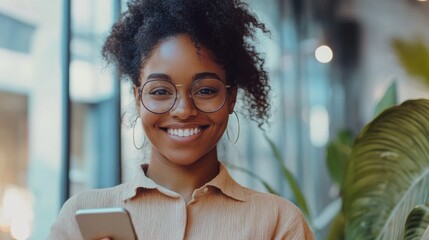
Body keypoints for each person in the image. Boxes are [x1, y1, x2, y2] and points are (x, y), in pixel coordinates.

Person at [48, 0, 314, 239]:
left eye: (206, 90)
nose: (184, 110)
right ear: (138, 97)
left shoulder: (279, 223)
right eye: (161, 91)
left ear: (231, 97)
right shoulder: (80, 218)